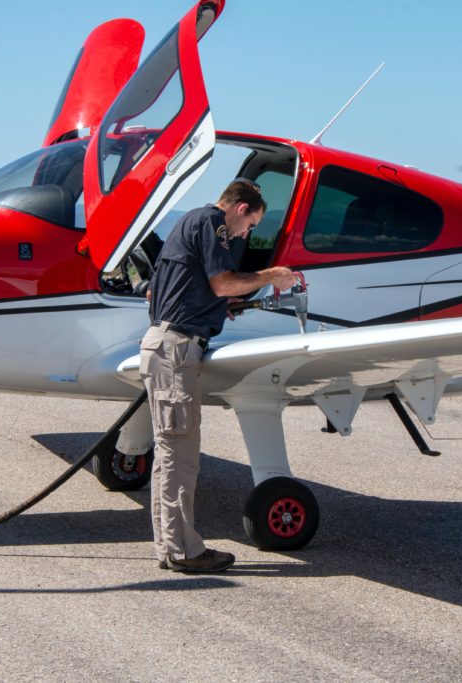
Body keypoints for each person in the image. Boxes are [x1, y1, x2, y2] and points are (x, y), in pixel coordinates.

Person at [139, 179, 296, 573]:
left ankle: (170, 547)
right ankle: (184, 552)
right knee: (181, 455)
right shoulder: (214, 224)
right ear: (241, 209)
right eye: (252, 224)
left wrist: (210, 308)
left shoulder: (187, 223)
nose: (248, 233)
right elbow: (222, 282)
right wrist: (269, 275)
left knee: (169, 455)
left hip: (161, 345)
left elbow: (155, 293)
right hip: (176, 352)